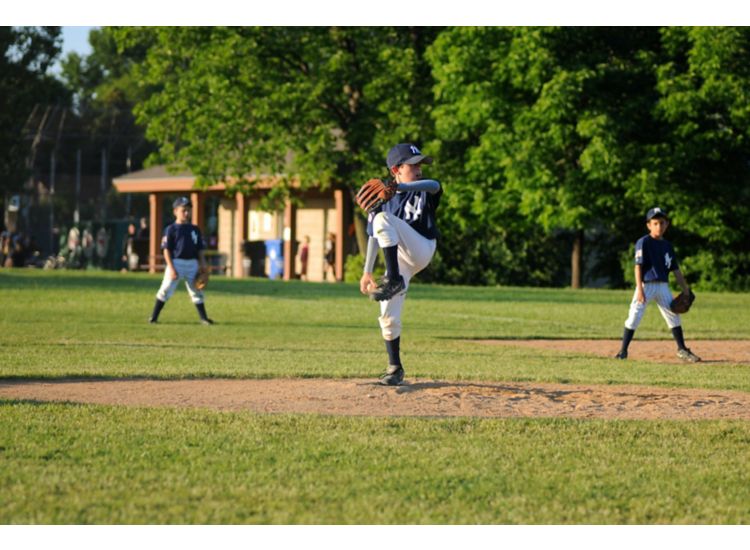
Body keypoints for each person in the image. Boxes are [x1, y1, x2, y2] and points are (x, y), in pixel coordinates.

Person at [359, 143, 442, 385]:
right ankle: (395, 368)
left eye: (420, 165)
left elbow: (434, 185)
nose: (419, 169)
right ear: (396, 168)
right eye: (413, 165)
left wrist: (400, 187)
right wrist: (367, 272)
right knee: (387, 314)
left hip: (422, 247)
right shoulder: (381, 201)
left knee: (384, 219)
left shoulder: (422, 188)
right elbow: (375, 235)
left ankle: (393, 279)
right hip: (400, 259)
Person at [615, 207, 700, 362]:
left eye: (662, 223)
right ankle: (623, 351)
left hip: (662, 286)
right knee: (634, 316)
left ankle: (682, 349)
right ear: (649, 225)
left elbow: (676, 270)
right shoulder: (643, 242)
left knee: (673, 316)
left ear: (666, 224)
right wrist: (639, 289)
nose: (659, 226)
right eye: (655, 223)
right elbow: (638, 266)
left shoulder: (667, 246)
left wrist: (685, 289)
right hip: (646, 285)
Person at [148, 197, 214, 325]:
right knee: (166, 288)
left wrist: (203, 264)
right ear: (175, 211)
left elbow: (200, 249)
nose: (186, 213)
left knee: (197, 290)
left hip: (192, 263)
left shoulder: (194, 229)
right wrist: (171, 268)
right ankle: (154, 317)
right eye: (183, 210)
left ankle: (204, 318)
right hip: (176, 262)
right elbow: (166, 250)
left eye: (188, 210)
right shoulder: (171, 229)